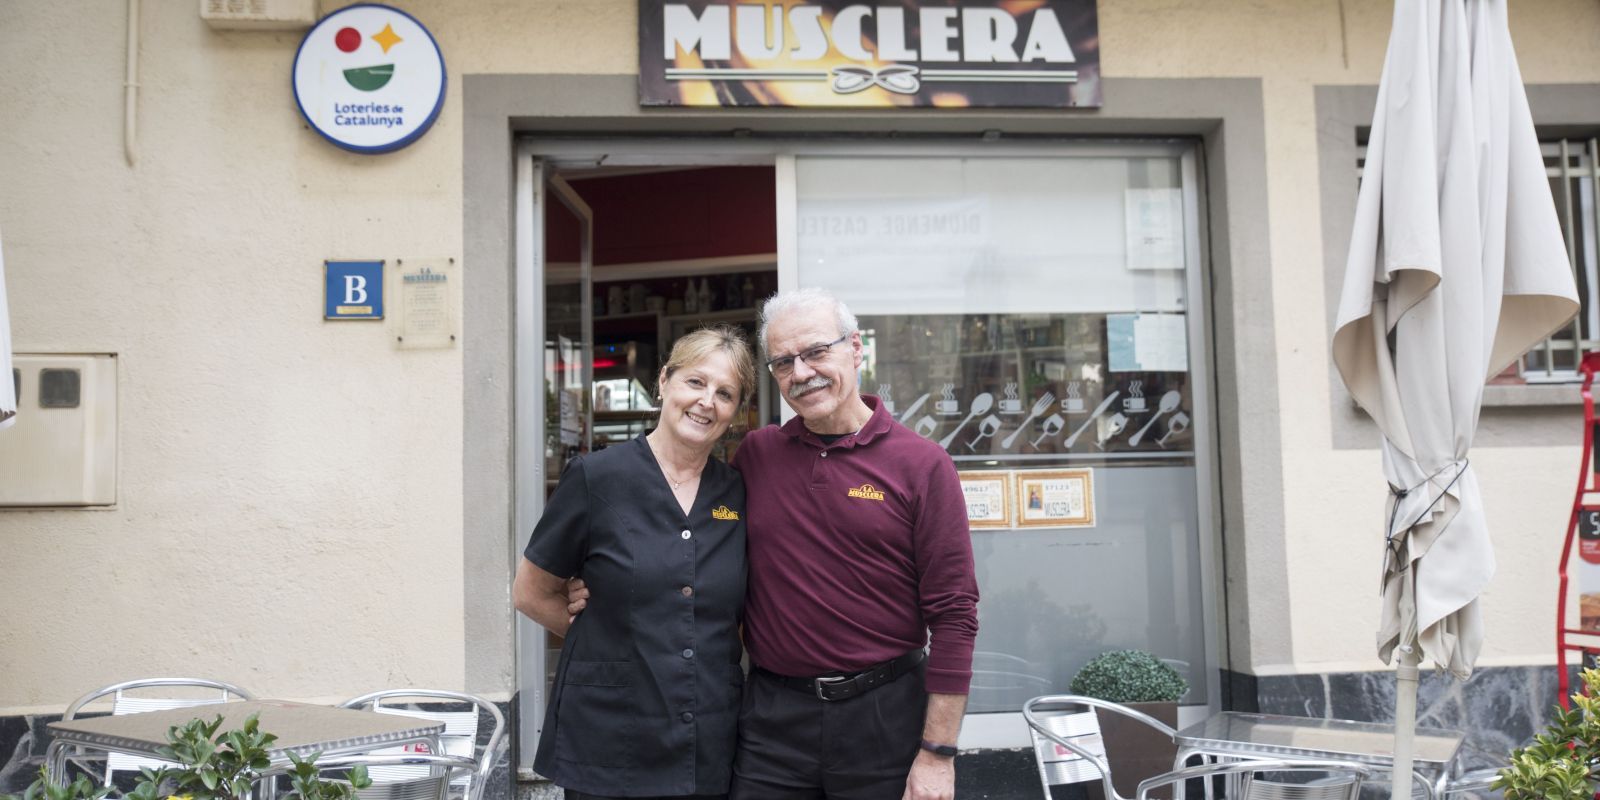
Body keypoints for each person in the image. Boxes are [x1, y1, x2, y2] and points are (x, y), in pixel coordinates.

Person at [574, 288, 979, 800]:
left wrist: (938, 753)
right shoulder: (757, 456)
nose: (801, 372)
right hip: (771, 722)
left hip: (883, 717)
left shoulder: (922, 465)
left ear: (855, 348)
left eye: (815, 352)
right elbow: (692, 548)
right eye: (784, 361)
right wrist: (599, 581)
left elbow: (955, 614)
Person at [513, 325, 757, 800]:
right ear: (664, 381)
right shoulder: (596, 478)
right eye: (695, 382)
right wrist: (603, 628)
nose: (707, 401)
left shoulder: (737, 493)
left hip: (705, 737)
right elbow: (529, 592)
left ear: (736, 412)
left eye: (725, 393)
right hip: (611, 734)